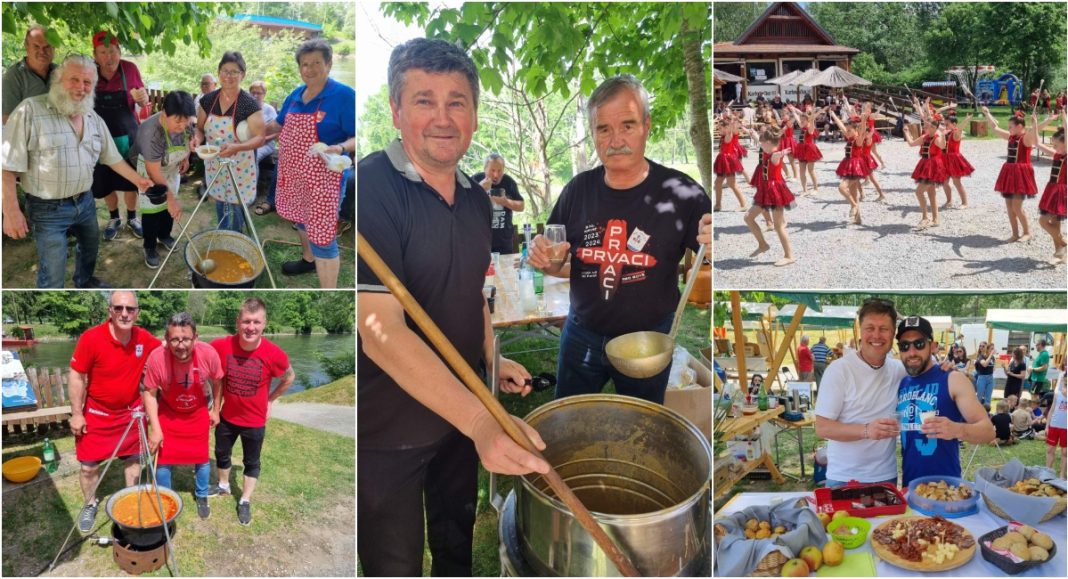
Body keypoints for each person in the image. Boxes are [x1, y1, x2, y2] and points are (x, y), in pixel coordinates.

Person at [357, 38, 549, 576]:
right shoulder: (371, 189)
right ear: (396, 110)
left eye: (456, 102)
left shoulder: (475, 200)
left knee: (454, 551)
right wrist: (482, 421)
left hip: (459, 420)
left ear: (474, 114)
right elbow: (381, 334)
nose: (443, 118)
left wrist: (491, 359)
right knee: (394, 566)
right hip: (386, 431)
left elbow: (471, 294)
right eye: (424, 100)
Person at [526, 75, 712, 403]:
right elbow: (557, 262)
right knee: (571, 418)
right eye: (603, 129)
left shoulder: (683, 194)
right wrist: (544, 258)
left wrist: (718, 247)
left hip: (648, 341)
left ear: (646, 125)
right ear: (593, 134)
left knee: (643, 422)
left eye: (627, 125)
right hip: (581, 334)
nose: (616, 140)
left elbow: (714, 262)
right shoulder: (577, 190)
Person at [2, 54, 152, 288]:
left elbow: (112, 158)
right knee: (53, 270)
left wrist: (139, 180)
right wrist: (10, 211)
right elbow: (7, 165)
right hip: (47, 209)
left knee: (90, 248)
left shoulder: (93, 118)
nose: (81, 87)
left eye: (87, 82)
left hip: (85, 202)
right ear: (58, 78)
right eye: (74, 79)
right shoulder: (30, 110)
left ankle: (85, 281)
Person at [68, 291, 162, 532]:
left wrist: (196, 347)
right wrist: (77, 413)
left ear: (137, 313)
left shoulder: (143, 338)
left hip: (131, 413)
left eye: (130, 309)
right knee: (88, 467)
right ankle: (90, 504)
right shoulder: (91, 338)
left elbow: (167, 348)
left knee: (133, 461)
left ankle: (129, 498)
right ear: (109, 311)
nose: (124, 313)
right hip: (97, 413)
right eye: (118, 308)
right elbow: (77, 376)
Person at [269, 39, 356, 288]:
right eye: (304, 64)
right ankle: (308, 260)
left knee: (323, 236)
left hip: (324, 180)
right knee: (301, 219)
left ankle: (329, 291)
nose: (309, 69)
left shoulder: (344, 96)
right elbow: (277, 124)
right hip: (295, 174)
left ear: (328, 64)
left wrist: (341, 147)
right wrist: (247, 133)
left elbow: (357, 136)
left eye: (316, 63)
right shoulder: (296, 95)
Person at [208, 298, 294, 525]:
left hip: (255, 421)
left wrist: (270, 400)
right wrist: (215, 408)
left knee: (252, 461)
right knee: (221, 453)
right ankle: (223, 486)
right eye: (246, 321)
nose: (251, 327)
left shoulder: (274, 353)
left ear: (264, 324)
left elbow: (289, 377)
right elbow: (201, 357)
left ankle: (245, 500)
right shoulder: (221, 345)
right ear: (238, 322)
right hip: (227, 416)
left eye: (256, 322)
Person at [815, 298, 905, 487]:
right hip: (843, 478)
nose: (876, 335)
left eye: (884, 329)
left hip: (885, 476)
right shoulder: (839, 370)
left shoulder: (899, 370)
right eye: (870, 328)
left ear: (893, 333)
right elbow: (822, 428)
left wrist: (947, 369)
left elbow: (929, 370)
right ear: (860, 331)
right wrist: (867, 430)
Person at [142, 312, 223, 519]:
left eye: (186, 339)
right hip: (169, 412)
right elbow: (149, 393)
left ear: (196, 337)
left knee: (202, 457)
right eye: (175, 339)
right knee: (163, 458)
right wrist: (155, 428)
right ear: (166, 339)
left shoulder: (209, 354)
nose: (181, 345)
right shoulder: (156, 358)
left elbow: (217, 381)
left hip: (197, 412)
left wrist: (215, 410)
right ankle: (165, 497)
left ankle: (202, 495)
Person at [895, 316, 993, 488]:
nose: (911, 352)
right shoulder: (902, 383)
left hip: (946, 490)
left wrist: (957, 429)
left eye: (919, 344)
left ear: (933, 346)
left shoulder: (952, 379)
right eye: (904, 346)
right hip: (909, 488)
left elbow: (988, 432)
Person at [193, 51, 264, 234]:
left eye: (234, 72)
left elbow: (260, 137)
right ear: (219, 73)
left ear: (243, 75)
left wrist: (237, 147)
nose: (229, 76)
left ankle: (236, 238)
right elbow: (199, 128)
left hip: (240, 165)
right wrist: (197, 139)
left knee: (237, 207)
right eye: (225, 71)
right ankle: (224, 234)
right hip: (214, 162)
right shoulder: (208, 100)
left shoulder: (249, 104)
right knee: (220, 201)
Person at [92, 31, 151, 241]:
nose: (109, 57)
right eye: (103, 52)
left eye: (113, 51)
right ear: (95, 55)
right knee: (105, 180)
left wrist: (143, 98)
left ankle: (132, 217)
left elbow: (144, 100)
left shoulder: (130, 69)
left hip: (128, 135)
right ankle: (114, 217)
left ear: (119, 51)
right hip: (99, 138)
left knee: (130, 180)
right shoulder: (89, 71)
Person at [130, 91, 195, 268]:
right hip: (149, 169)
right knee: (153, 210)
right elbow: (153, 171)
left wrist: (186, 158)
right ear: (165, 114)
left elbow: (189, 139)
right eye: (178, 121)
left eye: (186, 121)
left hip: (171, 167)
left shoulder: (185, 121)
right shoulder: (151, 132)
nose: (182, 126)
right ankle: (149, 246)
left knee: (168, 208)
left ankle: (164, 235)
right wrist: (170, 198)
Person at [981, 107, 1039, 242]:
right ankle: (1014, 234)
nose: (1008, 129)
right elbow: (995, 128)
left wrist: (1035, 124)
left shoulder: (1026, 138)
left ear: (1019, 126)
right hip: (1009, 173)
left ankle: (1027, 232)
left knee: (1017, 207)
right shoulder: (1011, 137)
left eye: (1010, 127)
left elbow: (1036, 139)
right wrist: (987, 113)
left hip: (1021, 175)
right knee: (1009, 206)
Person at [742, 126, 795, 266]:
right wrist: (753, 133)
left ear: (769, 142)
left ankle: (789, 256)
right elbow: (760, 142)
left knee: (778, 226)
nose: (760, 145)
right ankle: (763, 244)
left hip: (776, 192)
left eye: (762, 142)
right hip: (765, 191)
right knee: (748, 217)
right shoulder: (767, 150)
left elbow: (776, 156)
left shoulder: (774, 155)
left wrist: (782, 152)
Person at [2, 24, 56, 125]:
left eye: (47, 46)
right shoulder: (13, 76)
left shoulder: (61, 73)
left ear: (54, 48)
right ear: (26, 47)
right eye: (36, 46)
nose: (42, 51)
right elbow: (7, 119)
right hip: (28, 133)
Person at [471, 153, 525, 254]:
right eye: (492, 170)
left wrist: (506, 202)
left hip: (504, 242)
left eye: (499, 171)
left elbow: (521, 206)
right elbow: (464, 205)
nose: (496, 175)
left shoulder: (509, 182)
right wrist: (480, 189)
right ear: (485, 169)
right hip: (479, 241)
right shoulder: (475, 180)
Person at [905, 116, 947, 229]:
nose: (926, 128)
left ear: (934, 128)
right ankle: (935, 219)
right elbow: (911, 143)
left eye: (929, 126)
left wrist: (943, 134)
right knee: (931, 194)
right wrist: (907, 132)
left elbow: (943, 146)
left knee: (919, 192)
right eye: (927, 126)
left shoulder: (937, 138)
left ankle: (925, 218)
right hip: (925, 166)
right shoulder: (925, 137)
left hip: (934, 168)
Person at [1034, 118, 1066, 264]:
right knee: (1054, 222)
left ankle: (1063, 242)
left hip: (1062, 192)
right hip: (1052, 191)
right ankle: (1059, 253)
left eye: (1056, 144)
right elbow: (1037, 143)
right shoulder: (1056, 155)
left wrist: (1064, 117)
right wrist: (1035, 124)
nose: (1053, 147)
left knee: (1043, 221)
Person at [828, 111, 866, 225]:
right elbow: (841, 126)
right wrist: (833, 115)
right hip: (848, 166)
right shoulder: (850, 137)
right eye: (847, 130)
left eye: (849, 130)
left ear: (855, 130)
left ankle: (854, 206)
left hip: (855, 168)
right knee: (854, 194)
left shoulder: (858, 140)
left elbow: (862, 131)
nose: (847, 132)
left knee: (842, 188)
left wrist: (863, 120)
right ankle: (858, 219)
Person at [248, 80, 279, 212]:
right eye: (253, 92)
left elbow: (277, 131)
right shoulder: (246, 107)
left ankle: (251, 194)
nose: (255, 95)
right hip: (249, 142)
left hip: (266, 144)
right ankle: (238, 188)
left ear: (264, 94)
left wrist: (261, 139)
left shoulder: (269, 109)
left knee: (253, 157)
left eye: (259, 93)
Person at [940, 114, 974, 208]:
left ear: (954, 124)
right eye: (944, 124)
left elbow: (960, 128)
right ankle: (949, 201)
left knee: (956, 182)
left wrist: (966, 120)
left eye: (947, 124)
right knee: (944, 182)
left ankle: (964, 203)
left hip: (953, 160)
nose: (945, 126)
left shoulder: (956, 133)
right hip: (944, 159)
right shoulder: (946, 132)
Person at [1045, 364, 1066, 478]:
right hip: (1054, 426)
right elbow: (1051, 410)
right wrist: (1047, 426)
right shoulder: (1057, 394)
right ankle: (1047, 472)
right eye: (1065, 384)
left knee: (1065, 452)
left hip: (1066, 428)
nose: (1065, 388)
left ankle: (1062, 474)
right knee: (1050, 449)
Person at [974, 342, 997, 410]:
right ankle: (976, 411)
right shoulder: (981, 356)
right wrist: (991, 355)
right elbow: (984, 364)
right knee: (979, 396)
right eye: (991, 349)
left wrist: (992, 357)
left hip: (990, 378)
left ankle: (986, 412)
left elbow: (994, 368)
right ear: (987, 349)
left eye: (993, 349)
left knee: (988, 397)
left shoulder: (992, 357)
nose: (993, 350)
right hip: (982, 378)